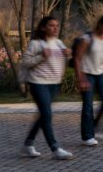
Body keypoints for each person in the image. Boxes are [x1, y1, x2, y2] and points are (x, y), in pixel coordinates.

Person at [19, 16, 73, 160]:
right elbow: (26, 62)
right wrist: (41, 56)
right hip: (38, 83)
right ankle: (55, 148)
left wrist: (68, 55)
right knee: (47, 115)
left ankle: (28, 145)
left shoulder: (58, 43)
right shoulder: (36, 44)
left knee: (44, 115)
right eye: (51, 25)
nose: (55, 28)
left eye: (57, 25)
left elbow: (63, 60)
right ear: (43, 28)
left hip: (54, 84)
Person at [74, 15, 103, 147]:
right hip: (87, 74)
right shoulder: (87, 38)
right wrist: (81, 78)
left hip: (100, 73)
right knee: (88, 105)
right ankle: (87, 137)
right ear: (100, 25)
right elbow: (77, 58)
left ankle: (92, 125)